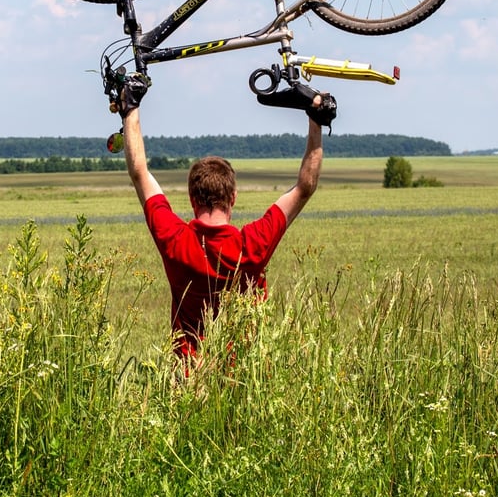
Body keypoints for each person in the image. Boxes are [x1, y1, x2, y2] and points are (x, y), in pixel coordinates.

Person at [114, 74, 333, 358]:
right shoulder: (252, 247)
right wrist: (316, 119)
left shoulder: (175, 241)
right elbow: (305, 188)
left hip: (188, 382)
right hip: (245, 383)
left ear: (192, 199)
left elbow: (139, 173)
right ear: (233, 198)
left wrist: (130, 108)